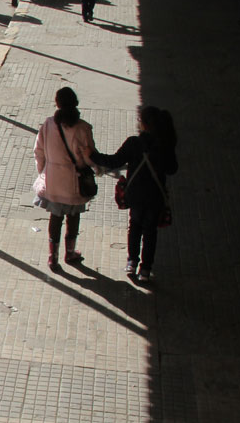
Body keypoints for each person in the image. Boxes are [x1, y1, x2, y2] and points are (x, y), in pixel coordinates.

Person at [93, 106, 178, 283]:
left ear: (144, 125)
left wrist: (93, 156)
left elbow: (114, 161)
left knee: (135, 225)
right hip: (155, 196)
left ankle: (132, 261)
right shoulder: (164, 145)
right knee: (150, 231)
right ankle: (146, 270)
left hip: (136, 195)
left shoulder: (134, 143)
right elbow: (172, 169)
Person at [33, 86, 99, 270]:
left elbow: (38, 151)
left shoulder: (48, 125)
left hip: (54, 181)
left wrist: (43, 172)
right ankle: (70, 253)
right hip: (74, 183)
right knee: (73, 216)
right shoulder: (83, 128)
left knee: (55, 218)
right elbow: (89, 156)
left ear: (57, 103)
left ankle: (52, 257)